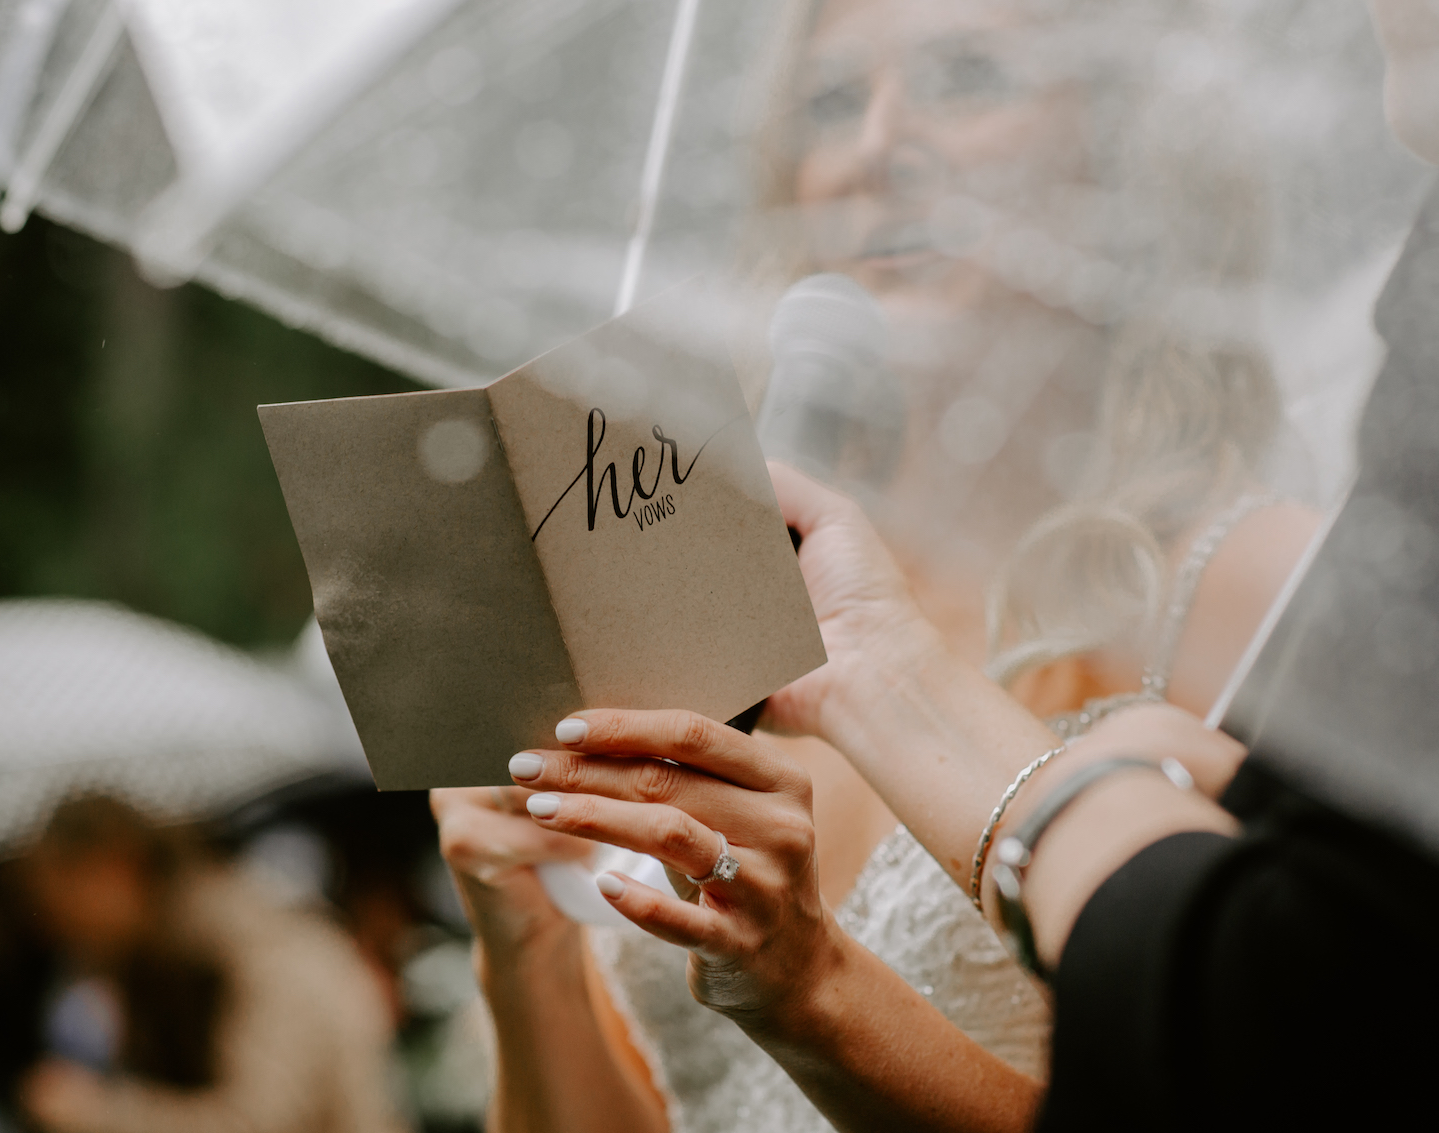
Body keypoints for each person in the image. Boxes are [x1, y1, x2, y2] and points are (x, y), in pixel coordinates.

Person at [498, 2, 1439, 1125]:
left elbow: (1283, 1074)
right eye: (834, 102)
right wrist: (525, 930)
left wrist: (815, 996)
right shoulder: (719, 602)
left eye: (964, 78)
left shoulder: (1252, 582)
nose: (876, 144)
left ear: (1121, 157)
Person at [13, 795, 406, 1133]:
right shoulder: (154, 964)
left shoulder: (263, 951)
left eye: (59, 908)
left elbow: (260, 1125)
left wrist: (100, 1112)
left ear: (118, 866)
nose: (55, 930)